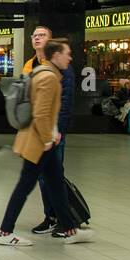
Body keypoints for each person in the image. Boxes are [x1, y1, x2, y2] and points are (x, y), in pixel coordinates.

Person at [0, 40, 93, 246]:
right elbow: (41, 114)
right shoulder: (49, 78)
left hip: (41, 141)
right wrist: (49, 137)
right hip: (39, 144)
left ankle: (69, 230)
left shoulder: (41, 72)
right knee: (25, 186)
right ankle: (5, 232)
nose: (70, 57)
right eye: (67, 53)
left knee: (56, 185)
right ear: (56, 55)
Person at [21, 26, 76, 236]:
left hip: (53, 131)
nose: (37, 38)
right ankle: (54, 217)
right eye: (34, 36)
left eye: (42, 35)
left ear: (51, 40)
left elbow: (66, 100)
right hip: (36, 129)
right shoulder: (30, 64)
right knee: (43, 176)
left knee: (51, 175)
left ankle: (60, 219)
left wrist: (58, 129)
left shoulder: (61, 65)